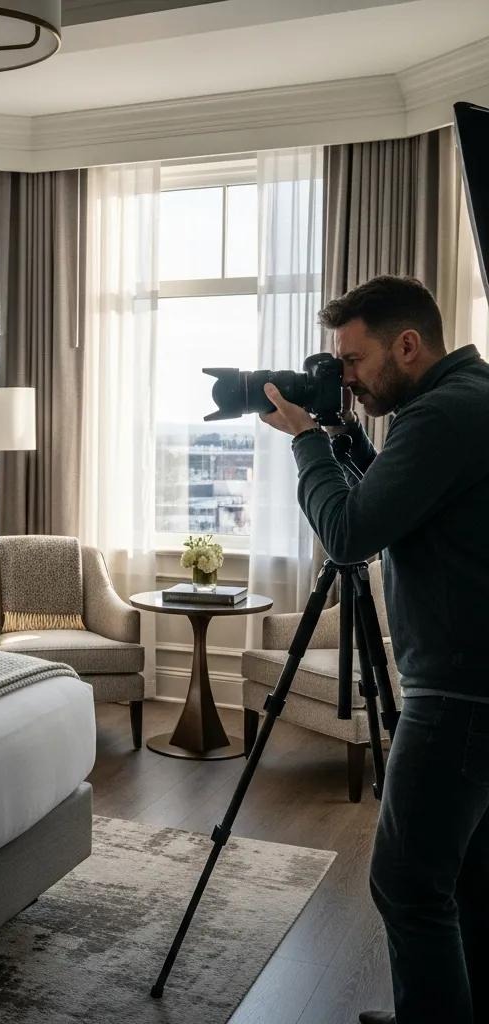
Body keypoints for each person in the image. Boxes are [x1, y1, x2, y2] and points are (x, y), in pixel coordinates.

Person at [259, 275, 489, 1024]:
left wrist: (304, 444)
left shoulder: (440, 416)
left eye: (353, 361)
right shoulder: (469, 399)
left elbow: (353, 534)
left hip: (458, 694)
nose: (346, 380)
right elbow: (410, 505)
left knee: (407, 885)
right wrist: (354, 449)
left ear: (409, 344)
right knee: (463, 878)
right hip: (475, 684)